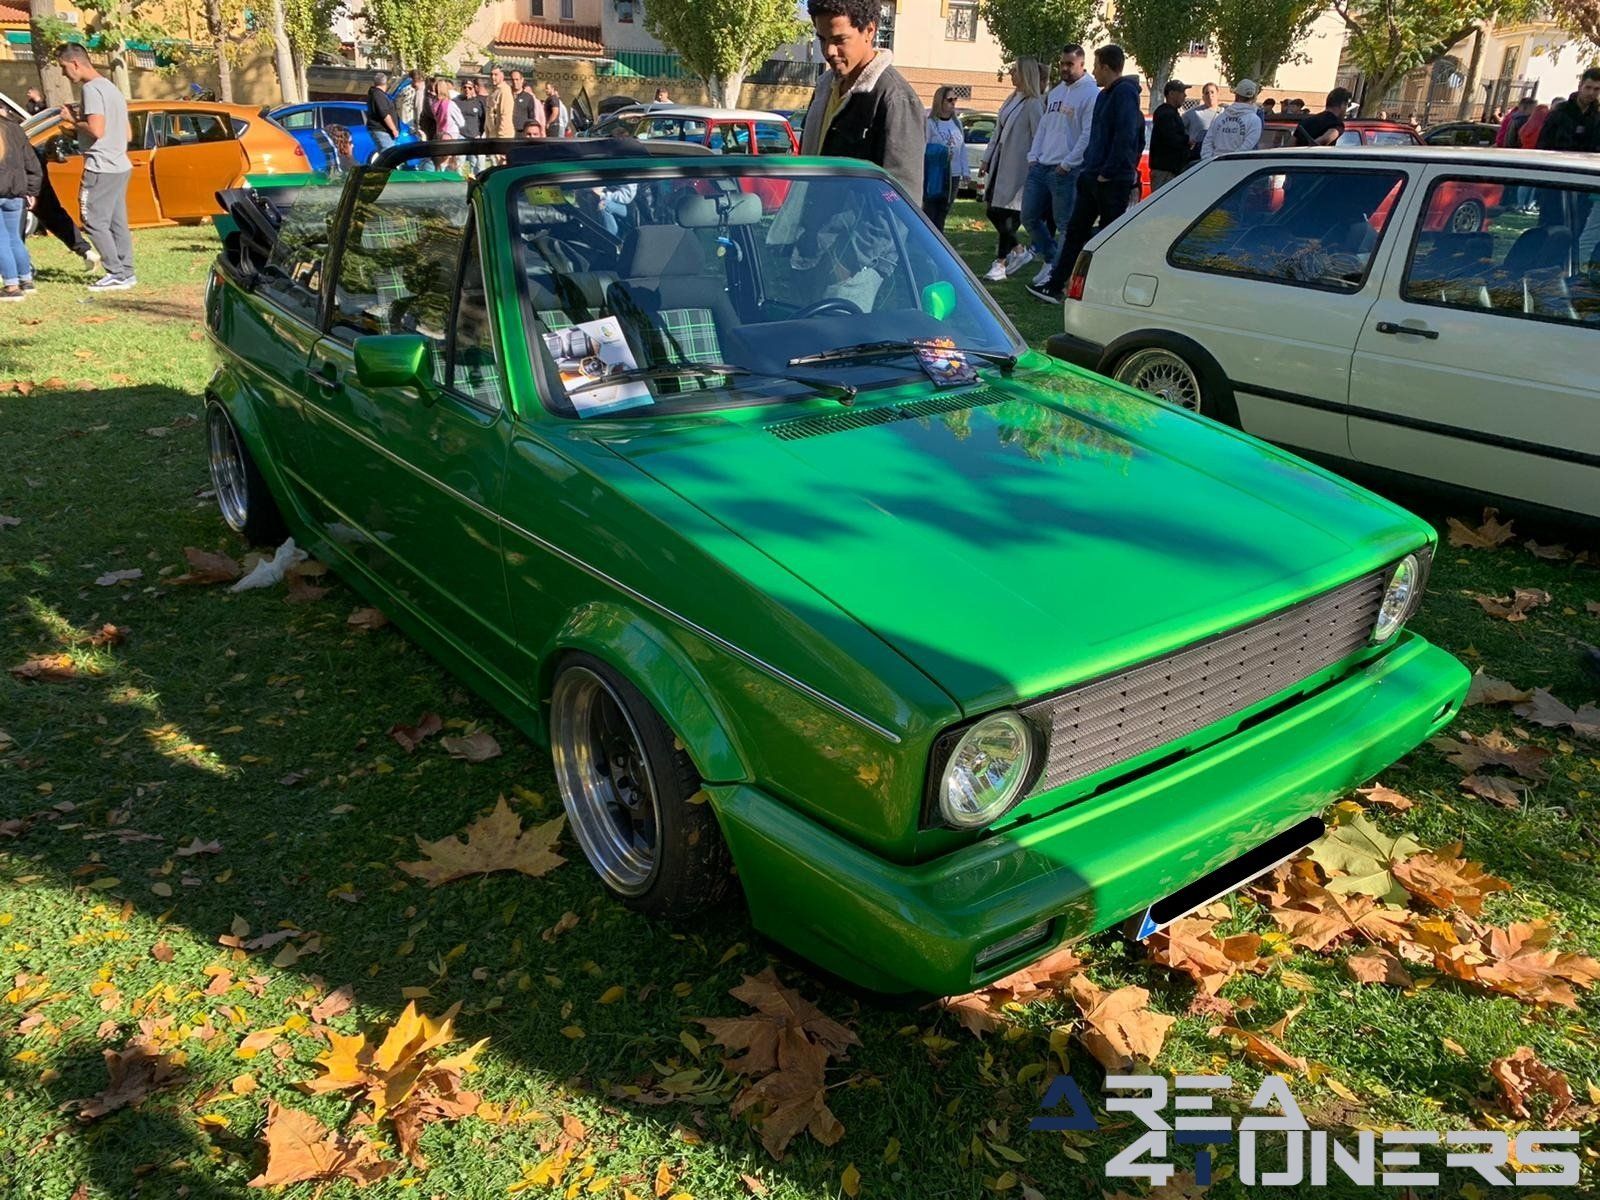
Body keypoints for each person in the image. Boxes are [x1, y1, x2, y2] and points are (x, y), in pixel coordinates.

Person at [1027, 44, 1142, 304]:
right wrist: (1092, 168)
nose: (1093, 71)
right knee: (1076, 231)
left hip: (1111, 179)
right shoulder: (1104, 95)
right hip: (1091, 175)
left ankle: (1109, 291)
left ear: (1105, 66)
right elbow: (1097, 136)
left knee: (1109, 234)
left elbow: (1126, 136)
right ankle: (1056, 285)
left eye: (1097, 65)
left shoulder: (1124, 94)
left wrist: (1109, 171)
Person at [798, 0, 925, 196]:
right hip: (810, 224)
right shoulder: (824, 88)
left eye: (839, 40)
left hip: (857, 228)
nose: (829, 51)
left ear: (869, 31)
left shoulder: (895, 100)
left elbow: (902, 200)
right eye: (822, 39)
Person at [58, 43, 134, 291]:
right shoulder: (112, 88)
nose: (63, 74)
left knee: (92, 219)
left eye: (64, 67)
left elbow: (97, 131)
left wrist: (73, 120)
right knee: (116, 220)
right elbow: (128, 134)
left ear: (76, 63)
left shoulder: (91, 89)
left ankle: (116, 273)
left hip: (101, 166)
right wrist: (77, 131)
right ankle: (126, 272)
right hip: (120, 163)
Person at [1022, 44, 1097, 285]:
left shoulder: (1090, 93)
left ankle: (1057, 273)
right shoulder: (1054, 93)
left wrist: (1068, 163)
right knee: (1029, 217)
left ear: (1082, 65)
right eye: (1062, 63)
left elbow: (1087, 133)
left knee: (1065, 223)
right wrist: (1033, 156)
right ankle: (1051, 256)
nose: (1065, 68)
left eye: (1070, 64)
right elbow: (1044, 127)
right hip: (1041, 164)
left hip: (1065, 170)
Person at [976, 58, 1044, 281]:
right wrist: (986, 159)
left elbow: (1039, 137)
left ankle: (1000, 263)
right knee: (992, 210)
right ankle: (1018, 250)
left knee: (1008, 215)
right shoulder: (1012, 98)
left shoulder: (1033, 103)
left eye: (1015, 71)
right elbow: (998, 131)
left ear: (1025, 74)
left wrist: (1035, 164)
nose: (1012, 74)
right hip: (1000, 162)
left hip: (1019, 167)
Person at [0, 113, 41, 301]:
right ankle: (26, 280)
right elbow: (31, 162)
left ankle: (11, 286)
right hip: (16, 191)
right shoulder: (15, 128)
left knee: (2, 241)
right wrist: (31, 190)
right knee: (15, 238)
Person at [922, 85, 967, 232]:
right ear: (940, 101)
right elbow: (924, 148)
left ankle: (939, 239)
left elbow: (962, 148)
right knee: (931, 209)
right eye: (949, 100)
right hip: (937, 173)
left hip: (953, 174)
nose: (953, 102)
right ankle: (928, 239)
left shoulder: (957, 123)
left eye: (955, 99)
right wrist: (941, 152)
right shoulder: (931, 123)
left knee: (944, 209)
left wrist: (965, 171)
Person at [1537, 68, 1600, 152]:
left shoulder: (1597, 118)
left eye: (1596, 89)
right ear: (1580, 86)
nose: (1591, 93)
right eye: (1588, 87)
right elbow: (1542, 146)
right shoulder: (1559, 113)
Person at [1202, 78, 1262, 159]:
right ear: (1254, 98)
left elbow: (1208, 141)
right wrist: (1231, 161)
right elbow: (1247, 147)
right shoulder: (1254, 120)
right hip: (1238, 168)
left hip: (1214, 165)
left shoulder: (1220, 117)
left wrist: (1207, 161)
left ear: (1236, 95)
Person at [1148, 78, 1190, 189]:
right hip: (1165, 171)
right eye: (1181, 93)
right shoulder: (1166, 114)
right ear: (1171, 94)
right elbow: (1171, 139)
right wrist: (1187, 140)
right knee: (1162, 204)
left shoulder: (1171, 113)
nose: (1185, 96)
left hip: (1170, 171)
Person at [1183, 82, 1220, 159]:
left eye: (1212, 92)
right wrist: (1188, 139)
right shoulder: (1193, 113)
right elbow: (1179, 130)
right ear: (1203, 97)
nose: (1210, 95)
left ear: (1218, 94)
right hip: (1197, 154)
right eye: (1207, 93)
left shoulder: (1225, 113)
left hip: (1217, 153)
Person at [366, 71, 400, 154]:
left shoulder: (376, 94)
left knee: (388, 155)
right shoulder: (378, 95)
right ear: (385, 82)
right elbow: (384, 114)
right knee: (389, 156)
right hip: (382, 130)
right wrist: (394, 129)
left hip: (382, 131)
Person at [486, 67, 515, 139]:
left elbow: (505, 115)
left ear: (502, 76)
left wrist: (502, 136)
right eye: (491, 74)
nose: (493, 77)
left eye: (496, 75)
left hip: (502, 135)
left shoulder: (504, 90)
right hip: (492, 135)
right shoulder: (493, 91)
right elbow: (489, 113)